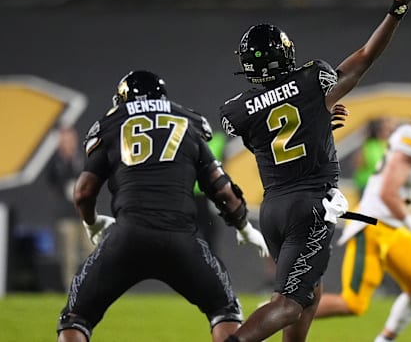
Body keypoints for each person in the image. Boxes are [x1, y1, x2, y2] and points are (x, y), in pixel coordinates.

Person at [218, 0, 411, 342]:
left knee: (309, 294)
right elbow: (364, 58)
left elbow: (269, 140)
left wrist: (316, 125)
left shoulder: (238, 109)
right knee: (289, 303)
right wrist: (398, 7)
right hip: (310, 206)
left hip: (274, 211)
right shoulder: (313, 79)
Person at [55, 70, 269, 342]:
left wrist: (91, 222)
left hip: (127, 237)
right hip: (182, 240)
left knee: (75, 318)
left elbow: (83, 192)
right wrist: (243, 226)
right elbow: (223, 190)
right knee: (225, 312)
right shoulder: (189, 122)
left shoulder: (111, 124)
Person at [315, 89, 411, 342]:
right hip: (373, 226)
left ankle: (385, 339)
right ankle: (278, 313)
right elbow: (389, 193)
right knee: (352, 304)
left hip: (394, 227)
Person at [46, 125, 93, 292]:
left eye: (69, 138)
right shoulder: (55, 161)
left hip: (85, 213)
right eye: (63, 139)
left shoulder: (82, 157)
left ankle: (92, 286)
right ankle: (70, 290)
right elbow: (52, 182)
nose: (67, 142)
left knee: (91, 251)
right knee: (69, 255)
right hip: (66, 214)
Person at [353, 117, 396, 195]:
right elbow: (372, 164)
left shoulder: (388, 144)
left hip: (380, 184)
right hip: (367, 183)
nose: (389, 132)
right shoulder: (370, 145)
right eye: (386, 129)